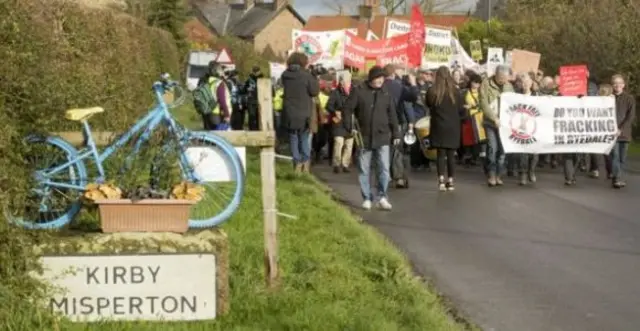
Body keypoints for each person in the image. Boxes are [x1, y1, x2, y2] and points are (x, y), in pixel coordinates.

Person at [343, 66, 400, 211]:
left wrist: (396, 133)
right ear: (371, 78)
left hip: (382, 135)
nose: (380, 81)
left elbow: (392, 114)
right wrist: (350, 127)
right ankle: (367, 197)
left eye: (382, 78)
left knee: (384, 169)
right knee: (364, 169)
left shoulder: (386, 93)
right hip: (364, 136)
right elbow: (347, 108)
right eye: (377, 78)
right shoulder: (359, 91)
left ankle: (382, 196)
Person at [426, 66, 465, 191]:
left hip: (439, 125)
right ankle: (451, 181)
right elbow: (461, 110)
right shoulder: (456, 91)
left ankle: (441, 180)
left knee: (440, 154)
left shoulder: (432, 91)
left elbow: (428, 105)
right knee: (451, 155)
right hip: (453, 126)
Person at [281, 52, 320, 173]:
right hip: (304, 113)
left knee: (293, 137)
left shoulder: (285, 75)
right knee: (303, 137)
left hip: (290, 112)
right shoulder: (306, 75)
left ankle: (296, 161)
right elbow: (314, 92)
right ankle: (305, 161)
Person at [479, 65, 514, 187]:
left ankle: (499, 174)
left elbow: (513, 103)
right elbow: (483, 103)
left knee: (503, 150)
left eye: (505, 78)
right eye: (501, 78)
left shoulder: (509, 86)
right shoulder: (486, 84)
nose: (503, 81)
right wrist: (494, 118)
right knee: (492, 148)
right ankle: (492, 174)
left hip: (504, 124)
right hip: (490, 123)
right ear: (496, 75)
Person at [609, 74, 635, 188]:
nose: (617, 85)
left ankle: (616, 177)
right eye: (615, 83)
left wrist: (621, 128)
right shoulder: (608, 98)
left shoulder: (629, 98)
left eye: (619, 83)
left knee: (622, 158)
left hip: (625, 133)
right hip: (612, 133)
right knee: (614, 156)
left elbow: (631, 116)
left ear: (623, 85)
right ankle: (618, 179)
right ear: (612, 85)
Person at [326, 72, 355, 173]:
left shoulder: (354, 91)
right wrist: (335, 111)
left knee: (349, 144)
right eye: (344, 81)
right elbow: (328, 105)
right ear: (341, 82)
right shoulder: (335, 93)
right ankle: (336, 164)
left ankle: (345, 164)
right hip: (339, 122)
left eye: (348, 81)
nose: (347, 83)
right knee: (338, 142)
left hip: (350, 121)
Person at [515, 73, 539, 185]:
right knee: (523, 152)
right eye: (522, 83)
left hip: (534, 127)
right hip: (521, 127)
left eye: (526, 82)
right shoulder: (516, 96)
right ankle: (523, 173)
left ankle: (532, 171)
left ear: (531, 83)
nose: (524, 85)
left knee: (534, 152)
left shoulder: (537, 96)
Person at [195, 60, 231, 130]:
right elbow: (222, 100)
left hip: (206, 112)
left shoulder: (204, 81)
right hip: (216, 113)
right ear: (217, 71)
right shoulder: (219, 83)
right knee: (218, 137)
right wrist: (227, 114)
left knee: (208, 136)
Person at [243, 66, 263, 131]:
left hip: (256, 100)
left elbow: (244, 90)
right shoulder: (249, 80)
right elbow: (244, 90)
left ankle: (255, 130)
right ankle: (254, 131)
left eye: (256, 71)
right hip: (254, 101)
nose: (256, 72)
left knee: (255, 117)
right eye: (255, 71)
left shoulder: (263, 79)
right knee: (254, 117)